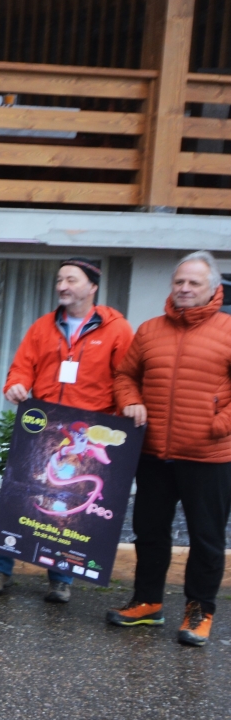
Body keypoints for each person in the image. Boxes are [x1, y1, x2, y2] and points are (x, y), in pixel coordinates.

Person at [0, 259, 131, 602]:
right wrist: (17, 385)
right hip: (44, 431)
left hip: (88, 436)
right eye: (60, 279)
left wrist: (122, 426)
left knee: (69, 504)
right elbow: (22, 368)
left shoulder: (117, 330)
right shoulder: (42, 327)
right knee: (19, 496)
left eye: (71, 280)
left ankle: (62, 576)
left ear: (92, 287)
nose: (62, 286)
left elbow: (125, 379)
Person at [110, 251, 231, 646]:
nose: (184, 288)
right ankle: (147, 603)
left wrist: (218, 425)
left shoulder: (228, 329)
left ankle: (199, 611)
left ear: (214, 288)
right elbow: (125, 375)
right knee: (149, 532)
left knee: (206, 538)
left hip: (209, 456)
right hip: (154, 454)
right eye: (179, 281)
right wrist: (130, 400)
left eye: (194, 282)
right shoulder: (149, 330)